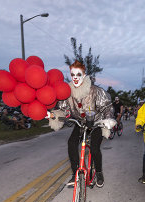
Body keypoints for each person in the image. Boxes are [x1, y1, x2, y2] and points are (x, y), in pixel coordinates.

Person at [48, 60, 115, 188]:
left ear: (84, 75)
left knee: (94, 148)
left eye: (78, 75)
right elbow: (64, 110)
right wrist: (53, 115)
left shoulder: (95, 91)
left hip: (97, 122)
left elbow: (107, 107)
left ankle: (99, 172)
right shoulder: (67, 92)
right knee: (71, 143)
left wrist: (107, 119)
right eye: (73, 75)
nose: (75, 78)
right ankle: (75, 173)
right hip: (80, 123)